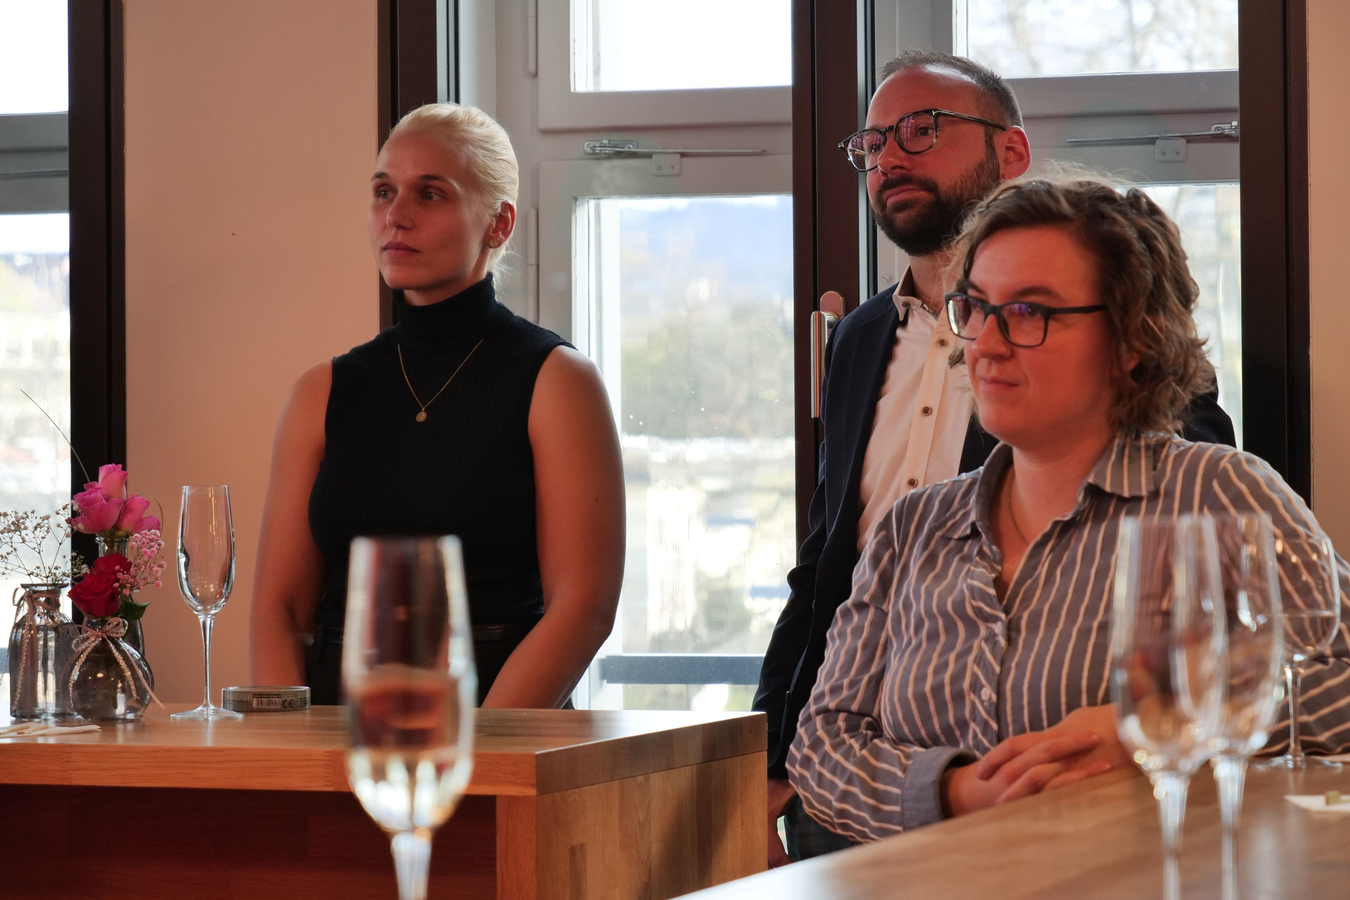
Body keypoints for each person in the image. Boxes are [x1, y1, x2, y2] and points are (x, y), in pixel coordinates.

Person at [753, 51, 1235, 863]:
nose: (890, 156)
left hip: (1076, 797)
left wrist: (1147, 718)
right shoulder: (859, 340)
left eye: (921, 129)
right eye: (872, 143)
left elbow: (1182, 516)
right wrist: (770, 758)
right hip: (859, 782)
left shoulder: (1188, 450)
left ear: (1011, 151)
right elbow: (824, 563)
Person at [788, 176, 1350, 842]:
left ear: (1135, 337)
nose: (986, 343)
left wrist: (1150, 723)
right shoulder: (913, 527)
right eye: (975, 306)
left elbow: (1341, 681)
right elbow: (820, 746)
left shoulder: (1217, 493)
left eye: (1030, 312)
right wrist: (954, 790)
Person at [249, 103, 625, 708]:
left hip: (500, 729)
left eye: (430, 194)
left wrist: (482, 750)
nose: (395, 215)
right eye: (383, 191)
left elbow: (583, 609)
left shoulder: (557, 381)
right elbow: (280, 611)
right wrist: (287, 748)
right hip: (331, 735)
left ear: (499, 223)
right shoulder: (321, 391)